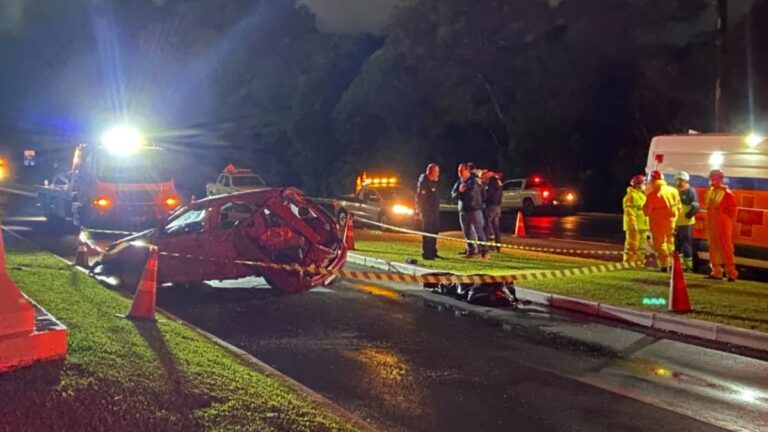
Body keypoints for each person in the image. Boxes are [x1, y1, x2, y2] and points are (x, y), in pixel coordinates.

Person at [643, 170, 681, 272]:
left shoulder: (653, 194)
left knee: (660, 244)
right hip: (672, 222)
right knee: (670, 243)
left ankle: (664, 265)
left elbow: (646, 211)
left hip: (658, 223)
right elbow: (679, 207)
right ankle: (672, 263)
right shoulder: (673, 191)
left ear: (652, 180)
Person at [704, 169, 738, 281]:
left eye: (715, 177)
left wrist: (724, 221)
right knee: (713, 249)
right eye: (711, 177)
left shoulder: (727, 193)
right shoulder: (710, 191)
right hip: (712, 224)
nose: (712, 179)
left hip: (722, 225)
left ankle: (731, 273)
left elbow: (732, 211)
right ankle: (716, 272)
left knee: (726, 248)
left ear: (720, 179)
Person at [451, 163, 490, 259]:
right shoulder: (459, 182)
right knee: (467, 232)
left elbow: (471, 194)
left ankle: (485, 251)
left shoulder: (474, 181)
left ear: (467, 170)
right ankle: (471, 251)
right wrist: (460, 192)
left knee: (479, 231)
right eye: (458, 171)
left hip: (475, 209)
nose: (459, 173)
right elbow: (453, 194)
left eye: (461, 171)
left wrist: (462, 193)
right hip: (463, 210)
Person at [674, 171, 700, 272]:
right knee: (677, 245)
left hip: (686, 223)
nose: (679, 182)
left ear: (685, 180)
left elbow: (696, 207)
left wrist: (687, 215)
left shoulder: (690, 192)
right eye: (677, 180)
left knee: (686, 244)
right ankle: (679, 265)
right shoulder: (675, 191)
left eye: (681, 180)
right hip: (675, 223)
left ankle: (688, 266)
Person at [415, 163, 442, 260]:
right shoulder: (424, 182)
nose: (438, 174)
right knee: (428, 231)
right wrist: (419, 210)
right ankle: (427, 253)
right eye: (436, 172)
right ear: (431, 172)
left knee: (434, 231)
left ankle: (433, 251)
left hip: (434, 211)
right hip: (427, 211)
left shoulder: (433, 182)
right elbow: (420, 197)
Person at [622, 174, 649, 267]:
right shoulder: (631, 196)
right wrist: (633, 224)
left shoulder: (641, 195)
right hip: (634, 226)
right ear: (637, 185)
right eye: (643, 183)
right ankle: (629, 263)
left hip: (642, 225)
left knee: (642, 246)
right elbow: (629, 212)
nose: (645, 184)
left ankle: (639, 263)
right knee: (632, 245)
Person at [484, 175, 503, 251]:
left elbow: (487, 196)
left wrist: (484, 196)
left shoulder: (492, 187)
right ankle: (498, 245)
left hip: (491, 207)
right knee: (496, 227)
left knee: (488, 224)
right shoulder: (499, 187)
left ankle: (491, 241)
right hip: (498, 207)